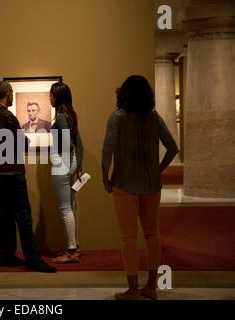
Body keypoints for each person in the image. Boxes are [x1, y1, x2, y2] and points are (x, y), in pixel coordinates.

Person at [101, 75, 179, 300]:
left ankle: (133, 290)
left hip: (124, 185)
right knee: (152, 233)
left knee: (129, 237)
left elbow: (107, 151)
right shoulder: (154, 118)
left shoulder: (117, 118)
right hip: (152, 186)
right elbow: (173, 148)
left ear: (122, 93)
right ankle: (152, 287)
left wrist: (105, 178)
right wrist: (158, 169)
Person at [0, 80, 57, 273]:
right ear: (8, 93)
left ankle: (7, 255)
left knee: (7, 214)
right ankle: (33, 260)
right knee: (24, 216)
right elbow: (22, 143)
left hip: (0, 171)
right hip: (13, 171)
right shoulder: (7, 116)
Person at [49, 82, 84, 264]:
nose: (50, 98)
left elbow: (68, 143)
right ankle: (75, 245)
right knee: (71, 205)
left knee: (65, 208)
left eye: (51, 95)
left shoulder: (61, 117)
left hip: (62, 163)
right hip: (71, 162)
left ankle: (71, 251)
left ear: (58, 97)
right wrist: (78, 166)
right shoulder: (71, 115)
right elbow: (79, 144)